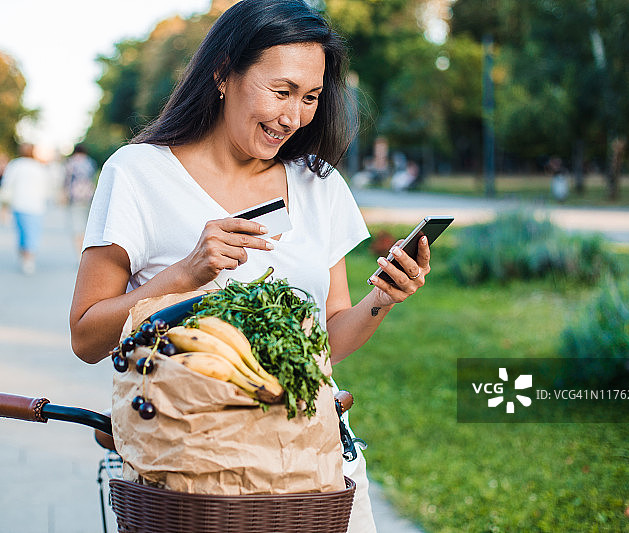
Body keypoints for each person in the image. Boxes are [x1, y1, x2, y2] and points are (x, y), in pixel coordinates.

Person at [69, 2, 431, 531]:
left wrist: (383, 298)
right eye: (281, 91)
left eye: (310, 98)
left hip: (312, 466)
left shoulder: (318, 183)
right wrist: (186, 274)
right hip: (192, 479)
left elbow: (325, 342)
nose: (294, 116)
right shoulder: (138, 173)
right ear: (223, 72)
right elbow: (86, 338)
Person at [0, 143, 52, 275]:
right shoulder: (39, 167)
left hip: (19, 204)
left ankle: (25, 255)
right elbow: (46, 187)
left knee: (22, 231)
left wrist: (3, 206)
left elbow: (7, 185)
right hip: (36, 205)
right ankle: (29, 258)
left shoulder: (15, 165)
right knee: (33, 232)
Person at [63, 143, 97, 252]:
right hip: (89, 196)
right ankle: (88, 250)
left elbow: (66, 181)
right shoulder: (90, 162)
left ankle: (80, 253)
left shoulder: (70, 163)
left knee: (77, 227)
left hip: (75, 197)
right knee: (88, 226)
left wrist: (64, 194)